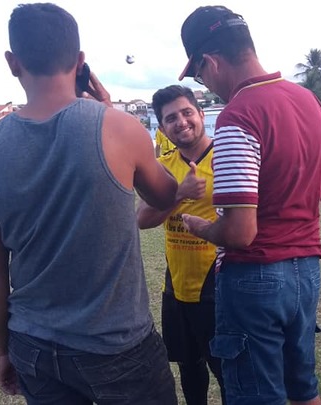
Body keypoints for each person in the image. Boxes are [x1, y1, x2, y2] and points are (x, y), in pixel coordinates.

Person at [0, 4, 179, 404]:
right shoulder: (117, 127)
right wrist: (110, 111)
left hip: (34, 343)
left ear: (13, 63)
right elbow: (166, 194)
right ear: (80, 61)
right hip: (117, 343)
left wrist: (2, 352)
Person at [177, 5, 321, 405]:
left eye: (198, 74)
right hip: (307, 270)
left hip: (256, 278)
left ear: (209, 61)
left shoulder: (237, 115)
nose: (204, 83)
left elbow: (241, 233)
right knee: (302, 388)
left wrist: (202, 227)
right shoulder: (308, 100)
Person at [138, 85, 226, 405]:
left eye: (187, 112)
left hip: (218, 285)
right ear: (162, 128)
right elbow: (143, 219)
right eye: (171, 118)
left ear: (202, 114)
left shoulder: (225, 157)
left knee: (225, 368)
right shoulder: (162, 166)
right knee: (189, 368)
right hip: (176, 285)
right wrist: (180, 193)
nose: (181, 122)